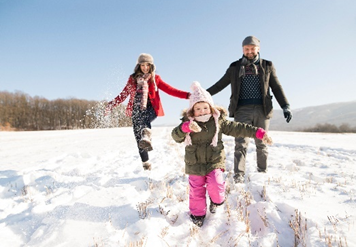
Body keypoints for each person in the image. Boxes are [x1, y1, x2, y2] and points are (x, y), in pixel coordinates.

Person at [171, 81, 272, 227]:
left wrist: (258, 132)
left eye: (205, 107)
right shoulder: (188, 123)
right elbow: (175, 136)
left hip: (214, 161)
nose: (202, 111)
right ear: (192, 111)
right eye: (198, 108)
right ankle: (197, 215)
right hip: (195, 163)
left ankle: (216, 201)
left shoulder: (218, 122)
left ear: (211, 108)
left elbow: (238, 128)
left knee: (216, 185)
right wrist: (185, 128)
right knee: (196, 191)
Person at [206, 36, 292, 183]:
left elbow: (276, 87)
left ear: (258, 49)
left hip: (262, 109)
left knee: (262, 142)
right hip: (241, 110)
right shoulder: (234, 67)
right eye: (247, 49)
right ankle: (239, 175)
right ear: (243, 50)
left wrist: (285, 105)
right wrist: (203, 94)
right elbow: (220, 85)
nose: (250, 51)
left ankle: (262, 173)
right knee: (241, 142)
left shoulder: (267, 65)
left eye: (252, 48)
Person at [105, 53, 190, 171]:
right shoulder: (132, 79)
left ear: (151, 66)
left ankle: (146, 135)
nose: (145, 68)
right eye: (142, 65)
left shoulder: (155, 79)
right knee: (139, 138)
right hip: (136, 109)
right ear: (138, 66)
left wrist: (187, 95)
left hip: (151, 109)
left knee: (144, 121)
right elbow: (124, 94)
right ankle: (145, 163)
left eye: (147, 65)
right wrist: (111, 104)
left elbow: (170, 90)